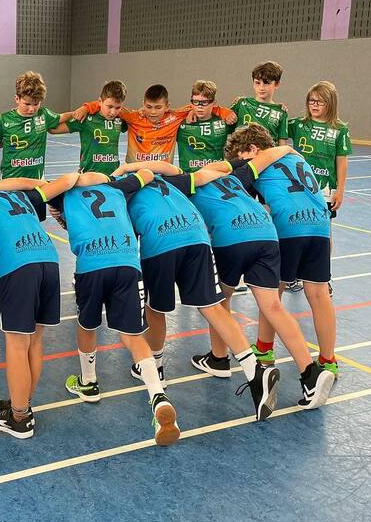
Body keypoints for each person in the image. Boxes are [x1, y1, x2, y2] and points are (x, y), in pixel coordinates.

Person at [117, 162, 282, 420]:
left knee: (155, 308)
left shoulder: (121, 189)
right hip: (196, 235)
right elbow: (189, 172)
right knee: (213, 306)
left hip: (161, 239)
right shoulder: (170, 181)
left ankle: (156, 367)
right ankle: (254, 369)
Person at [180, 148, 336, 409]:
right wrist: (287, 148)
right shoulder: (244, 174)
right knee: (277, 303)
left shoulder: (195, 181)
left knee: (219, 302)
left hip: (250, 234)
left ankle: (220, 358)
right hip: (280, 231)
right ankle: (312, 372)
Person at [50, 169, 180, 444]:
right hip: (127, 262)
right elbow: (146, 172)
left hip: (92, 265)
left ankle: (88, 382)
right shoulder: (120, 187)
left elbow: (55, 207)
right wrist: (116, 175)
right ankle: (157, 394)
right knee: (133, 335)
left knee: (87, 325)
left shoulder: (63, 193)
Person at [0, 172, 80, 438]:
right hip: (48, 259)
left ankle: (20, 418)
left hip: (18, 264)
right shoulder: (20, 196)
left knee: (17, 344)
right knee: (35, 340)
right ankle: (22, 403)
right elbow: (31, 182)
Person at [223, 125, 340, 377]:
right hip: (319, 224)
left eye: (241, 157)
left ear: (253, 149)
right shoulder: (296, 157)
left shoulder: (259, 161)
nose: (240, 163)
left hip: (289, 225)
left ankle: (264, 348)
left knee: (271, 291)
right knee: (319, 294)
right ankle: (328, 359)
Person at [288, 81, 351, 296]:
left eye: (320, 101)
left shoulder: (340, 130)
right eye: (311, 101)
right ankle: (293, 274)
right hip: (298, 189)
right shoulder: (298, 125)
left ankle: (324, 277)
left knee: (323, 234)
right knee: (295, 230)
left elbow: (341, 161)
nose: (314, 105)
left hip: (324, 190)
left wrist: (340, 189)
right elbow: (274, 127)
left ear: (330, 103)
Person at [73, 84, 235, 164]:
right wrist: (87, 107)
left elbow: (201, 106)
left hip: (162, 175)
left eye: (158, 107)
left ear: (167, 106)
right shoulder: (133, 117)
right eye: (149, 107)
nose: (152, 112)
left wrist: (224, 112)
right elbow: (108, 105)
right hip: (135, 173)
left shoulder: (175, 116)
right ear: (143, 104)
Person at [0, 71, 74, 179]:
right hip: (11, 180)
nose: (32, 109)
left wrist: (82, 110)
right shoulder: (5, 120)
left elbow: (61, 117)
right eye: (27, 104)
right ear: (17, 99)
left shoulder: (43, 114)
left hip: (37, 180)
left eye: (36, 104)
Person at [52, 80, 128, 174]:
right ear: (100, 102)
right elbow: (54, 129)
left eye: (117, 108)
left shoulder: (120, 120)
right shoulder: (86, 119)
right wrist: (74, 113)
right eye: (109, 106)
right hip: (88, 175)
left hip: (113, 175)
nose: (113, 112)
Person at [176, 80, 232, 172]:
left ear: (214, 103)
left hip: (216, 175)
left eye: (204, 102)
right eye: (196, 102)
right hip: (189, 177)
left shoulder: (224, 121)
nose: (199, 106)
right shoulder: (179, 122)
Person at [230, 61, 289, 145]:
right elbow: (223, 122)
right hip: (242, 152)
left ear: (277, 84)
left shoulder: (281, 112)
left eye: (267, 83)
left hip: (268, 153)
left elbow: (282, 145)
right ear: (253, 83)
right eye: (257, 83)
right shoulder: (241, 103)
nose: (261, 88)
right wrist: (223, 112)